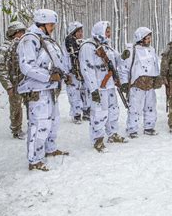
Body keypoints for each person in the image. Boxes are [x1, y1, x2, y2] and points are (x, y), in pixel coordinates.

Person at [17, 9, 70, 171]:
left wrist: (63, 74)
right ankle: (35, 159)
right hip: (37, 89)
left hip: (50, 88)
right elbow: (27, 66)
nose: (53, 27)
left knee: (53, 120)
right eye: (51, 24)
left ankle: (50, 148)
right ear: (42, 24)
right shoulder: (30, 39)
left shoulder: (45, 39)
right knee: (39, 123)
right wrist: (48, 76)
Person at [79, 21, 126, 152]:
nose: (109, 33)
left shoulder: (107, 46)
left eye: (109, 31)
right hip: (99, 86)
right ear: (100, 31)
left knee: (113, 110)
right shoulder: (88, 46)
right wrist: (93, 89)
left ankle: (113, 133)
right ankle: (98, 139)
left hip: (110, 84)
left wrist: (124, 56)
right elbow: (86, 70)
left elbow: (117, 60)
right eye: (107, 31)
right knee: (99, 113)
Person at [119, 27, 162, 138]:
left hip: (150, 84)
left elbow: (155, 65)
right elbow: (124, 68)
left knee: (151, 106)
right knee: (134, 108)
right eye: (147, 38)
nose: (149, 40)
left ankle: (149, 126)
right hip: (137, 85)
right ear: (140, 38)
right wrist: (124, 82)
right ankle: (132, 129)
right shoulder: (132, 50)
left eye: (149, 38)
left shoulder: (151, 50)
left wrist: (157, 77)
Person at [0, 21, 26, 139]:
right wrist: (8, 86)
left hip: (23, 81)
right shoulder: (4, 48)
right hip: (14, 83)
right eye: (20, 32)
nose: (23, 34)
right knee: (16, 106)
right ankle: (16, 129)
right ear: (13, 33)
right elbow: (0, 70)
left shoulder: (21, 46)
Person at [64, 21, 90, 124]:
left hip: (83, 72)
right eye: (78, 31)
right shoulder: (67, 45)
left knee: (86, 92)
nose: (81, 33)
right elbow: (64, 59)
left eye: (81, 31)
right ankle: (76, 114)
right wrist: (66, 73)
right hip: (72, 72)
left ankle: (86, 111)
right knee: (74, 93)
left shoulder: (84, 44)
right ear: (73, 32)